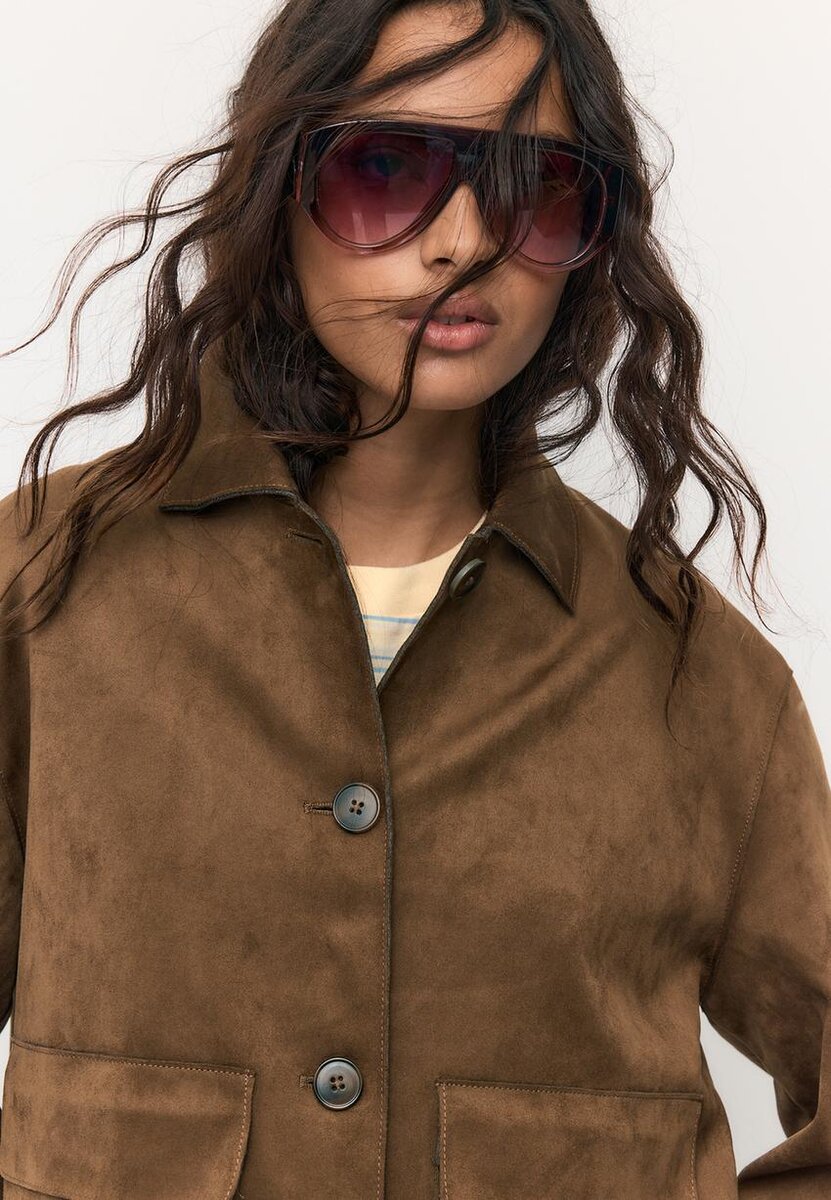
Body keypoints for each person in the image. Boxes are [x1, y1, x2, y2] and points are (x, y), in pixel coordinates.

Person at [0, 0, 828, 1197]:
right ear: (277, 187)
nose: (463, 243)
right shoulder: (46, 587)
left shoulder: (702, 680)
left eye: (537, 189)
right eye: (386, 169)